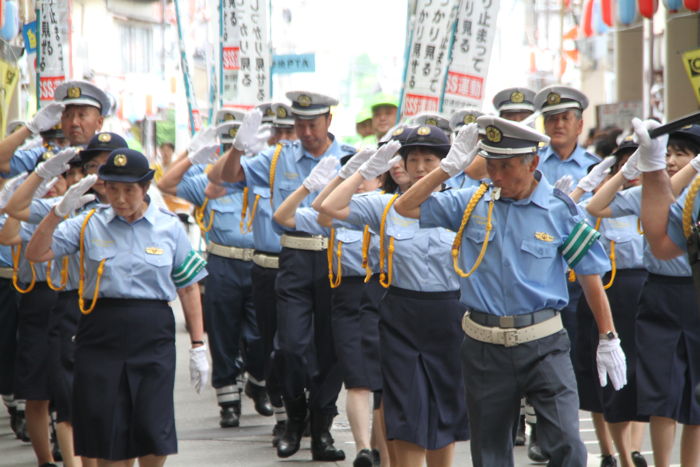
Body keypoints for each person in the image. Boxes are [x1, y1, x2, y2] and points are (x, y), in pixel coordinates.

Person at [393, 117, 626, 467]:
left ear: (532, 163)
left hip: (544, 344)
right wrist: (447, 170)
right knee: (489, 454)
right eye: (490, 166)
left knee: (567, 444)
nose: (496, 176)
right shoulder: (471, 203)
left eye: (506, 166)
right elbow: (404, 207)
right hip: (484, 347)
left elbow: (590, 276)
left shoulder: (559, 210)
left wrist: (608, 337)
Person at [24, 148, 209, 465]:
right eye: (113, 189)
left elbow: (188, 287)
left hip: (152, 331)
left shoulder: (169, 228)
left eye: (129, 190)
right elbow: (36, 254)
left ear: (146, 188)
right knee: (107, 425)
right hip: (100, 331)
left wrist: (197, 344)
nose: (120, 198)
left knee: (152, 423)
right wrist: (57, 212)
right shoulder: (89, 224)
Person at [208, 91, 354, 461]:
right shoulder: (278, 158)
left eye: (313, 124)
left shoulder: (350, 158)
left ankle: (321, 429)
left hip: (338, 263)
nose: (305, 131)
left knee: (330, 350)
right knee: (288, 346)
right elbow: (225, 178)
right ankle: (293, 418)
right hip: (292, 258)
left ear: (329, 121)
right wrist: (238, 149)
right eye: (299, 124)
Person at [320, 127, 469, 467]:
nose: (419, 167)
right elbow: (327, 207)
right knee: (404, 407)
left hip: (450, 314)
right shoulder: (385, 206)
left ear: (446, 163)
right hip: (401, 314)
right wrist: (361, 171)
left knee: (445, 406)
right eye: (412, 159)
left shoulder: (463, 204)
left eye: (429, 160)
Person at [158, 122, 271, 428]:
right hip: (223, 263)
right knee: (223, 334)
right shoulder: (211, 180)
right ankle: (228, 401)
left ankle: (258, 382)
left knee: (261, 335)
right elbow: (166, 184)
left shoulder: (266, 177)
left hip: (261, 264)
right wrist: (193, 155)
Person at [602, 119, 700, 467]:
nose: (673, 159)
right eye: (668, 153)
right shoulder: (655, 193)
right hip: (659, 295)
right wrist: (638, 169)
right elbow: (598, 207)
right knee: (662, 393)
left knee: (696, 402)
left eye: (682, 154)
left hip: (694, 296)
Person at [0, 80, 109, 178]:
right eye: (68, 115)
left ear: (99, 122)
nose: (74, 122)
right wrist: (30, 128)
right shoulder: (48, 157)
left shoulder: (110, 157)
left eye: (82, 115)